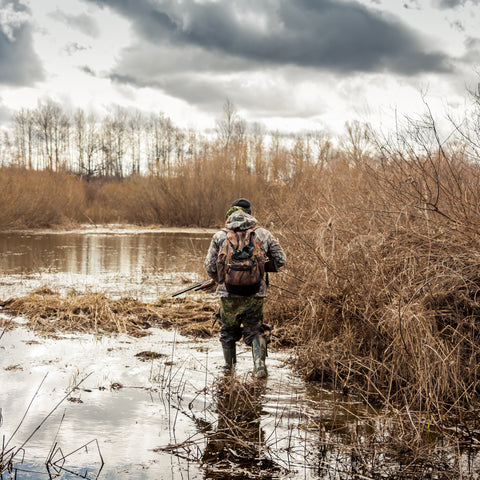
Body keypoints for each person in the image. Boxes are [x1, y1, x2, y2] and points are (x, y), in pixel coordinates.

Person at [204, 198, 286, 378]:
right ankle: (259, 368)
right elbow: (281, 260)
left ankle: (228, 370)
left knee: (227, 331)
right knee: (256, 330)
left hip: (228, 293)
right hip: (255, 292)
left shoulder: (219, 236)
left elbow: (209, 265)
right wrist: (261, 267)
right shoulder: (263, 234)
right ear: (250, 212)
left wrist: (218, 279)